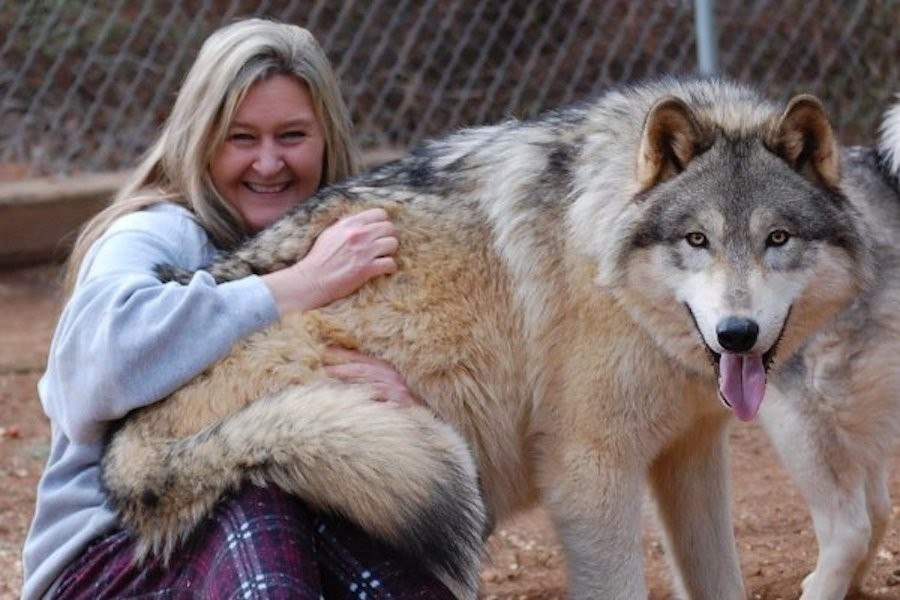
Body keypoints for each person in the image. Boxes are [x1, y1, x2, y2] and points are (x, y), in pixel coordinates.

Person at [22, 18, 454, 600]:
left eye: (293, 136)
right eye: (241, 138)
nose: (269, 164)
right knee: (256, 479)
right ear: (200, 139)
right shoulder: (157, 233)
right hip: (115, 558)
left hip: (288, 546)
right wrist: (294, 286)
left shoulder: (355, 243)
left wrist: (408, 407)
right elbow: (91, 377)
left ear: (327, 138)